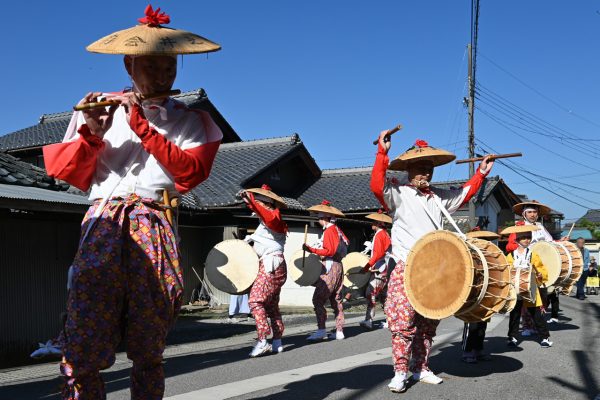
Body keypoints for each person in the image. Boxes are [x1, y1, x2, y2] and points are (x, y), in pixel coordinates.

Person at [42, 6, 222, 399]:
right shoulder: (99, 109)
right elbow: (72, 174)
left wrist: (141, 124)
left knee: (149, 333)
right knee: (85, 329)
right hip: (104, 219)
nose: (163, 76)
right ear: (129, 64)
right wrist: (92, 134)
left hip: (153, 219)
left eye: (170, 68)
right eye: (153, 67)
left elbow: (188, 174)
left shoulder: (190, 120)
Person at [370, 132, 494, 393]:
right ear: (408, 171)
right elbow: (376, 185)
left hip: (435, 270)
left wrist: (481, 173)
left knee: (428, 324)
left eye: (428, 169)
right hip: (406, 266)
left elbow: (464, 194)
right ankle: (401, 371)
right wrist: (382, 153)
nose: (425, 174)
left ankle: (421, 367)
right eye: (419, 169)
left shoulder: (439, 197)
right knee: (402, 324)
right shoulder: (398, 194)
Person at [239, 185, 288, 357]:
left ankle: (262, 339)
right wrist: (250, 201)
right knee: (271, 305)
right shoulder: (268, 221)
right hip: (274, 264)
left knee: (255, 301)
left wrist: (252, 200)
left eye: (259, 204)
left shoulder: (273, 218)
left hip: (271, 264)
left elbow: (266, 215)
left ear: (265, 205)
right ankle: (277, 341)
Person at [303, 200, 349, 341]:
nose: (318, 220)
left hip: (330, 265)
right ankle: (339, 330)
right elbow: (344, 245)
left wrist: (311, 249)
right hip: (338, 266)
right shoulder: (338, 230)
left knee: (318, 299)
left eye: (319, 218)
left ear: (324, 218)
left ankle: (322, 329)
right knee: (336, 299)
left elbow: (329, 250)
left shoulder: (330, 230)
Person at [503, 226, 553, 349]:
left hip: (531, 289)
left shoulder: (533, 255)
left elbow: (542, 269)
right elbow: (506, 270)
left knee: (537, 315)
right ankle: (512, 337)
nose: (526, 240)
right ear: (517, 240)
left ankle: (544, 338)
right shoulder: (511, 255)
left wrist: (540, 274)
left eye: (528, 237)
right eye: (523, 237)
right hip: (515, 290)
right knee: (514, 315)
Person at [460, 229, 500, 363]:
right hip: (472, 297)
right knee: (472, 325)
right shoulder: (470, 257)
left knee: (482, 324)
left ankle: (478, 349)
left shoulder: (489, 258)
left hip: (484, 296)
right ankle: (467, 351)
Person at [360, 209, 392, 330]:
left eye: (373, 221)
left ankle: (369, 320)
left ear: (379, 223)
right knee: (384, 295)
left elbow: (378, 254)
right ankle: (390, 320)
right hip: (386, 268)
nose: (371, 223)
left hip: (379, 268)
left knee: (370, 293)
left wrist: (367, 266)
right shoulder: (385, 233)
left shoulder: (379, 235)